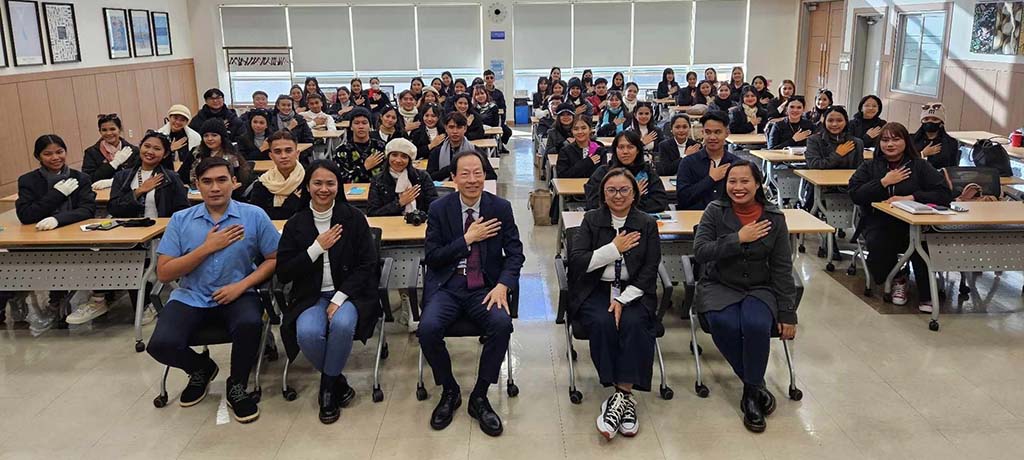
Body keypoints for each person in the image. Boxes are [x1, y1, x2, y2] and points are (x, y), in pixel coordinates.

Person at [146, 156, 279, 424]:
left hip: (238, 292)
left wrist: (242, 285)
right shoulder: (181, 220)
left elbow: (274, 258)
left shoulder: (253, 215)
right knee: (160, 345)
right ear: (197, 185)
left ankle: (237, 384)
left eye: (221, 180)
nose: (215, 188)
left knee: (250, 324)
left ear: (234, 182)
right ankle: (201, 369)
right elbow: (165, 272)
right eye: (207, 182)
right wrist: (207, 248)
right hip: (191, 295)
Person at [419, 150, 524, 437]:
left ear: (485, 175)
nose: (472, 179)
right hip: (448, 286)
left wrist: (503, 285)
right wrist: (467, 239)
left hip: (485, 287)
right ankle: (450, 389)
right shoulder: (439, 209)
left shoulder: (499, 207)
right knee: (427, 329)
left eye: (478, 172)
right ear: (453, 177)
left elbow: (515, 254)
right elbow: (433, 258)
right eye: (464, 173)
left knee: (501, 324)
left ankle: (479, 395)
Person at [693, 160, 797, 433]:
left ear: (758, 184)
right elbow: (701, 251)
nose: (738, 187)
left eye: (745, 181)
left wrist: (788, 312)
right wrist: (738, 238)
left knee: (755, 324)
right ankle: (756, 385)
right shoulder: (715, 211)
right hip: (720, 284)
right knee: (724, 323)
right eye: (732, 181)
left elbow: (782, 267)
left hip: (760, 286)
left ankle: (750, 393)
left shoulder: (774, 218)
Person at [276, 159, 381, 425]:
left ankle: (327, 390)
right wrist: (316, 248)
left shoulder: (353, 218)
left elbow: (368, 265)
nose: (324, 189)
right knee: (307, 333)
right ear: (307, 187)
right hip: (310, 296)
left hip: (348, 294)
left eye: (330, 183)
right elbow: (284, 272)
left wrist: (339, 297)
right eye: (318, 183)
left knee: (342, 325)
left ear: (338, 186)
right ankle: (337, 381)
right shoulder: (295, 223)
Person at [568, 167, 660, 440]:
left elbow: (650, 269)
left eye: (624, 190)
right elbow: (578, 262)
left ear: (634, 194)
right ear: (603, 194)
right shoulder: (591, 220)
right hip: (595, 289)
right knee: (602, 322)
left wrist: (622, 298)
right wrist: (614, 249)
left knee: (635, 322)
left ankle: (620, 397)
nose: (618, 195)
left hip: (635, 290)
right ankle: (622, 397)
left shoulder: (646, 223)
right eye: (611, 190)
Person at [848, 122, 952, 313]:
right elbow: (855, 194)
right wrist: (883, 182)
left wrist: (912, 197)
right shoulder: (869, 166)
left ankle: (927, 294)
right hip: (879, 222)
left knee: (923, 244)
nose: (890, 144)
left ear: (906, 142)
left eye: (896, 139)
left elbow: (944, 194)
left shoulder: (919, 166)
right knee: (879, 243)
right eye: (885, 140)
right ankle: (898, 278)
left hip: (915, 223)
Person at [15, 134, 97, 333]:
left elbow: (87, 210)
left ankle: (61, 298)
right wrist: (57, 194)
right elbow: (26, 215)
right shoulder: (28, 180)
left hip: (75, 240)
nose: (55, 158)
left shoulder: (80, 178)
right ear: (38, 156)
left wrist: (58, 219)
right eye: (48, 154)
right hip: (38, 241)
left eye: (59, 152)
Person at [109, 130, 190, 220]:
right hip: (129, 228)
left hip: (161, 228)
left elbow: (183, 210)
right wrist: (139, 191)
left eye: (157, 149)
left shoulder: (171, 178)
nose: (150, 151)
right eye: (146, 146)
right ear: (140, 147)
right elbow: (113, 209)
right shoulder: (121, 176)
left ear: (165, 154)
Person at [584, 130, 668, 213]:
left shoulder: (647, 172)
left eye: (630, 147)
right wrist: (632, 195)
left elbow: (660, 202)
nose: (625, 152)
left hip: (639, 219)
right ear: (615, 150)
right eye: (621, 147)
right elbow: (593, 203)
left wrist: (626, 203)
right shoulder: (603, 172)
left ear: (638, 150)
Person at [676, 111, 740, 210]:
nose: (712, 137)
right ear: (702, 133)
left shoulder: (736, 164)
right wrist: (710, 179)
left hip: (728, 216)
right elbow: (682, 199)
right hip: (695, 216)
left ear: (727, 133)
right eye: (708, 132)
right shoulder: (688, 162)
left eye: (717, 132)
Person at [180, 119, 253, 199]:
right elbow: (182, 176)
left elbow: (239, 182)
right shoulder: (195, 152)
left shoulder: (232, 154)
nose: (209, 139)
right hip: (195, 195)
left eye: (214, 135)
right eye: (206, 136)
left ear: (222, 137)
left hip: (225, 197)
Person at [367, 138, 438, 216]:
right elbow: (372, 212)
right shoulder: (378, 180)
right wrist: (400, 203)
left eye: (404, 157)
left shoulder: (422, 177)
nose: (398, 160)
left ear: (409, 160)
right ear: (388, 157)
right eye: (394, 155)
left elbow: (434, 206)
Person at [247, 131, 306, 220]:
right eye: (278, 152)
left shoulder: (309, 180)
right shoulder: (263, 184)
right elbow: (259, 217)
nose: (283, 156)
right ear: (271, 156)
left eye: (288, 151)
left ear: (297, 153)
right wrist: (292, 202)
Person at [428, 112, 497, 181]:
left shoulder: (476, 151)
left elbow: (492, 176)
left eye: (459, 127)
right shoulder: (436, 152)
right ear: (446, 128)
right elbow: (429, 177)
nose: (455, 131)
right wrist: (450, 169)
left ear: (465, 129)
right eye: (451, 127)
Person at [333, 108, 387, 183]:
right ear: (351, 127)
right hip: (351, 189)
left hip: (377, 189)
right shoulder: (341, 151)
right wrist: (364, 167)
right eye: (356, 123)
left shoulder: (380, 147)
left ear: (370, 126)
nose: (361, 126)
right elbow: (340, 180)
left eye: (364, 123)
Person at [83, 113, 139, 183]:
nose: (108, 133)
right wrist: (113, 164)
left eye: (112, 129)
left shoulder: (134, 151)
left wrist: (114, 181)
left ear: (119, 129)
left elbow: (138, 174)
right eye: (104, 130)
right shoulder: (91, 153)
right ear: (100, 131)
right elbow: (88, 179)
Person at [805, 106, 864, 170]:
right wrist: (837, 155)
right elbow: (814, 165)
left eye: (839, 120)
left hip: (848, 176)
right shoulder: (814, 140)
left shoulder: (857, 142)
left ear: (846, 122)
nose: (834, 124)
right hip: (821, 176)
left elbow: (860, 169)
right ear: (825, 122)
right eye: (830, 120)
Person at [912, 103, 960, 170]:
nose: (930, 122)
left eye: (934, 119)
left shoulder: (951, 143)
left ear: (941, 123)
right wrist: (923, 154)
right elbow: (904, 162)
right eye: (926, 119)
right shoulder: (910, 139)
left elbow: (953, 169)